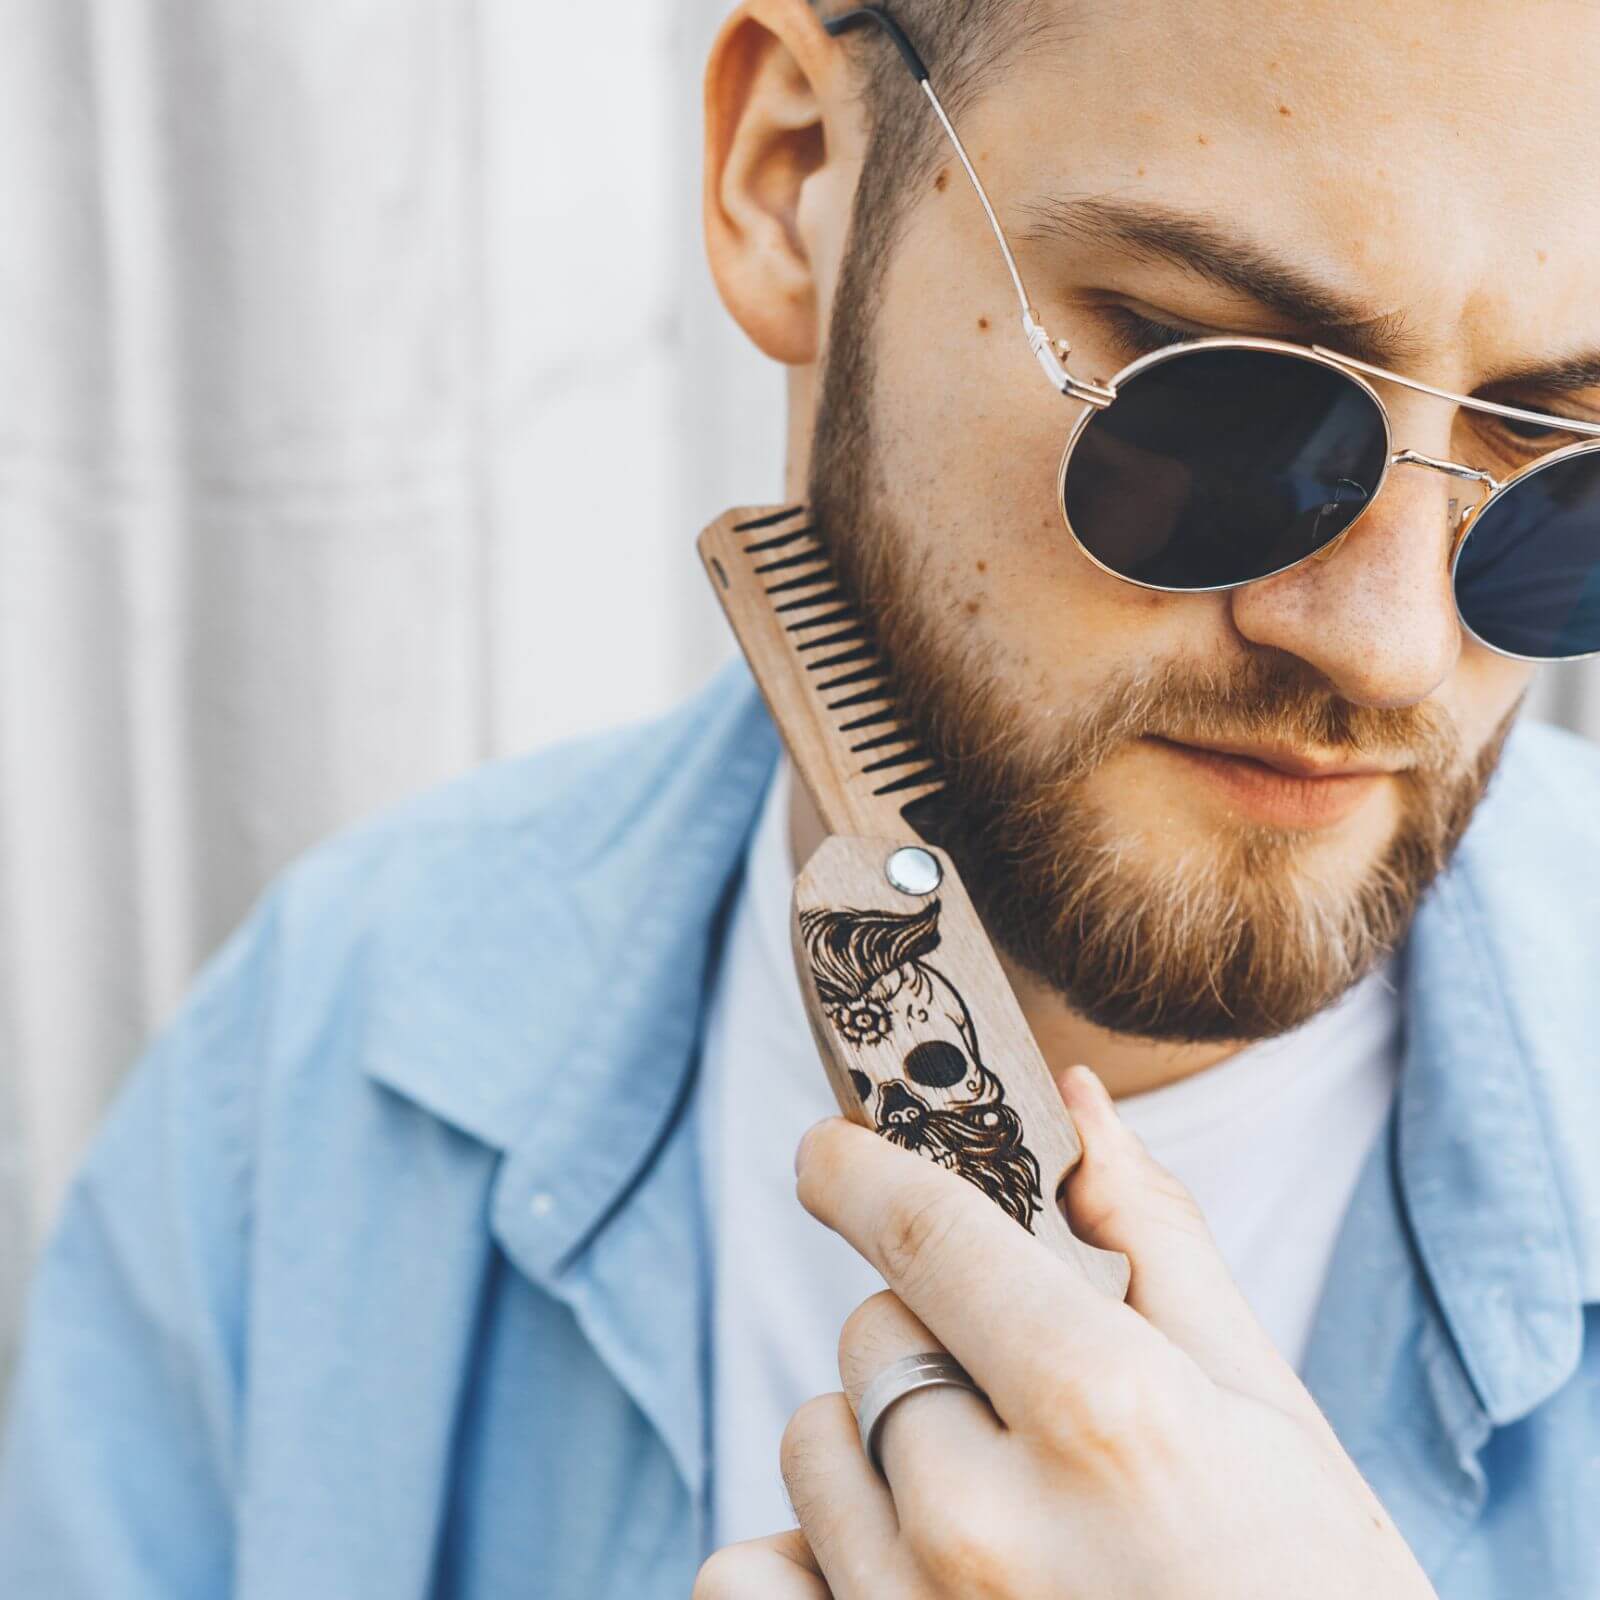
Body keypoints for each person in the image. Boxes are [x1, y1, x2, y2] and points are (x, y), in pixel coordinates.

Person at [3, 0, 1599, 1593]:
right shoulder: (314, 1085)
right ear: (791, 177)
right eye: (1222, 399)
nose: (1391, 649)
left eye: (1562, 456)